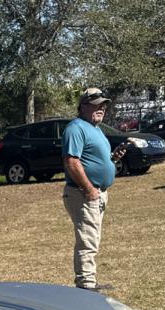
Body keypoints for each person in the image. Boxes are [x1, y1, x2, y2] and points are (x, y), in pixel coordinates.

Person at [62, 88, 127, 291]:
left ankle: (89, 281)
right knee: (87, 240)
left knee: (93, 238)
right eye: (96, 104)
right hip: (83, 194)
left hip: (97, 193)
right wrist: (89, 189)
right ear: (82, 106)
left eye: (103, 105)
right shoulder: (76, 128)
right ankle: (86, 286)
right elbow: (71, 162)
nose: (101, 108)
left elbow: (94, 159)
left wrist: (113, 158)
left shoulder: (95, 129)